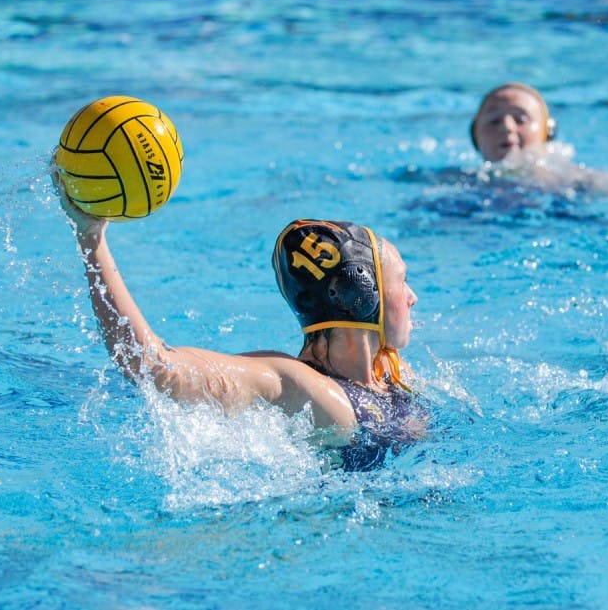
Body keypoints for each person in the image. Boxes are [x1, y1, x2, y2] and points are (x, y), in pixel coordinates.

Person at [58, 182, 426, 470]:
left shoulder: (391, 372)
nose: (412, 297)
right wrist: (93, 242)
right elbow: (155, 367)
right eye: (402, 281)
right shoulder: (304, 388)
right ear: (361, 293)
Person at [468, 82, 608, 195]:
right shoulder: (461, 181)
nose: (507, 127)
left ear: (547, 132)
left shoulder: (571, 179)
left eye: (521, 119)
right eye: (493, 121)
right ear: (476, 137)